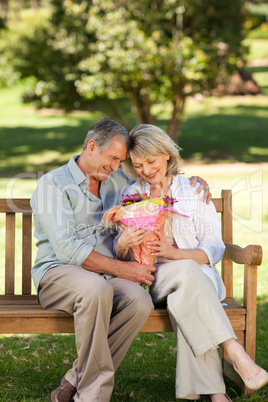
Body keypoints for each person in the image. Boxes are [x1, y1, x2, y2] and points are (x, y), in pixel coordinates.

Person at [30, 118, 211, 402]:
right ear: (92, 147)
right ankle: (91, 396)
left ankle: (73, 379)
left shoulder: (117, 180)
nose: (117, 168)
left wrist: (193, 182)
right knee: (96, 290)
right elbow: (68, 250)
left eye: (120, 161)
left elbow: (157, 179)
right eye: (113, 159)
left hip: (104, 276)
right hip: (60, 273)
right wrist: (126, 270)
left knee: (139, 302)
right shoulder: (53, 185)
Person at [114, 124, 268, 402]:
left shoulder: (194, 190)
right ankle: (233, 349)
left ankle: (215, 394)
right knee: (185, 280)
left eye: (152, 161)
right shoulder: (131, 196)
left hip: (198, 282)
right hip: (156, 282)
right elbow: (124, 258)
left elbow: (215, 248)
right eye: (138, 165)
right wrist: (124, 244)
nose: (146, 171)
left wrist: (176, 254)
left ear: (168, 157)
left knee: (185, 298)